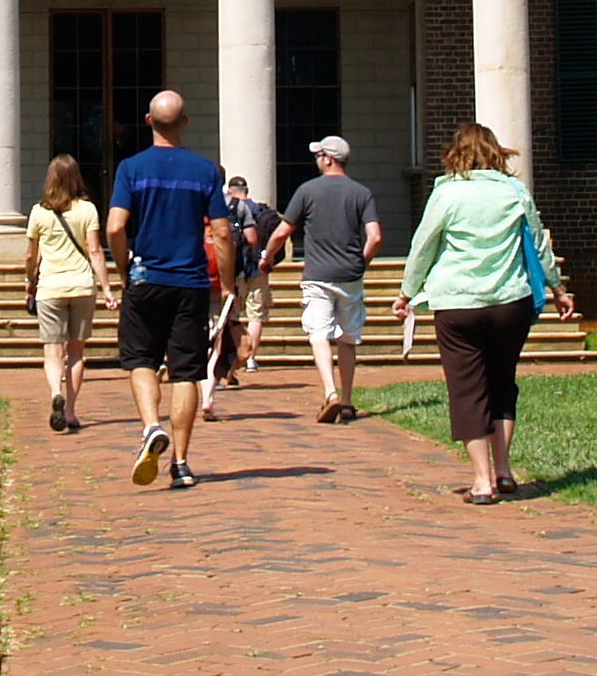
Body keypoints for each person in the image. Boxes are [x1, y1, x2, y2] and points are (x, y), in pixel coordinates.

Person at [394, 121, 574, 505]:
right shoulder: (513, 191)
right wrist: (558, 289)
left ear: (455, 154)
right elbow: (540, 244)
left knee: (467, 389)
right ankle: (505, 470)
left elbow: (423, 246)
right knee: (502, 383)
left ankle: (482, 481)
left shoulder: (447, 194)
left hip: (457, 304)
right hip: (511, 302)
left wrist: (407, 293)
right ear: (496, 152)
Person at [102, 89, 233, 492]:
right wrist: (227, 285)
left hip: (146, 279)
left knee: (140, 358)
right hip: (191, 283)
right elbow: (224, 232)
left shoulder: (131, 168)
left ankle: (150, 427)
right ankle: (180, 462)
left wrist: (125, 268)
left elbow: (114, 227)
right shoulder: (206, 170)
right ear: (185, 122)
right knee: (186, 373)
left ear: (148, 121)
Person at [273, 134, 383, 424]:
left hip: (318, 276)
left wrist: (266, 256)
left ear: (328, 159)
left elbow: (283, 231)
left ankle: (330, 392)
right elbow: (375, 236)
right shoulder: (362, 193)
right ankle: (346, 401)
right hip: (350, 277)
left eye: (319, 155)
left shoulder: (307, 191)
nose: (317, 160)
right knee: (348, 339)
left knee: (319, 333)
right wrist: (361, 262)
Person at [23, 154, 110, 433]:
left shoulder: (39, 212)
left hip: (50, 287)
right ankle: (71, 411)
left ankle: (54, 394)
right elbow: (95, 251)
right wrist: (107, 287)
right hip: (82, 286)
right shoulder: (88, 210)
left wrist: (29, 281)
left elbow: (30, 254)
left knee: (52, 351)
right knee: (76, 353)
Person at [219, 174, 283, 387]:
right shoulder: (260, 209)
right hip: (258, 268)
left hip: (235, 269)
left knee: (233, 316)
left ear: (230, 190)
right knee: (256, 314)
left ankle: (232, 360)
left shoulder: (227, 207)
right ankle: (251, 358)